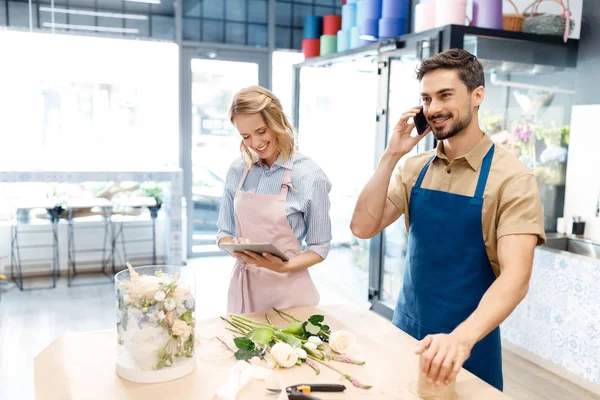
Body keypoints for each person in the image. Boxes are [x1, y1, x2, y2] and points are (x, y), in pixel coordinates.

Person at [350, 49, 546, 391]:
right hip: (405, 332)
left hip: (467, 344)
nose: (433, 108)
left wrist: (460, 340)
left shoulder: (512, 179)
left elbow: (516, 277)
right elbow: (363, 228)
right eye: (426, 98)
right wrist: (391, 154)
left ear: (477, 95)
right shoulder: (414, 168)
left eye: (445, 95)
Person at [216, 85, 332, 315]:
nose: (255, 143)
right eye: (245, 136)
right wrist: (236, 248)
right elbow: (223, 232)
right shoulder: (238, 171)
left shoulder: (310, 176)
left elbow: (319, 247)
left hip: (290, 292)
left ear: (277, 122)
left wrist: (285, 265)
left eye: (261, 131)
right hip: (245, 290)